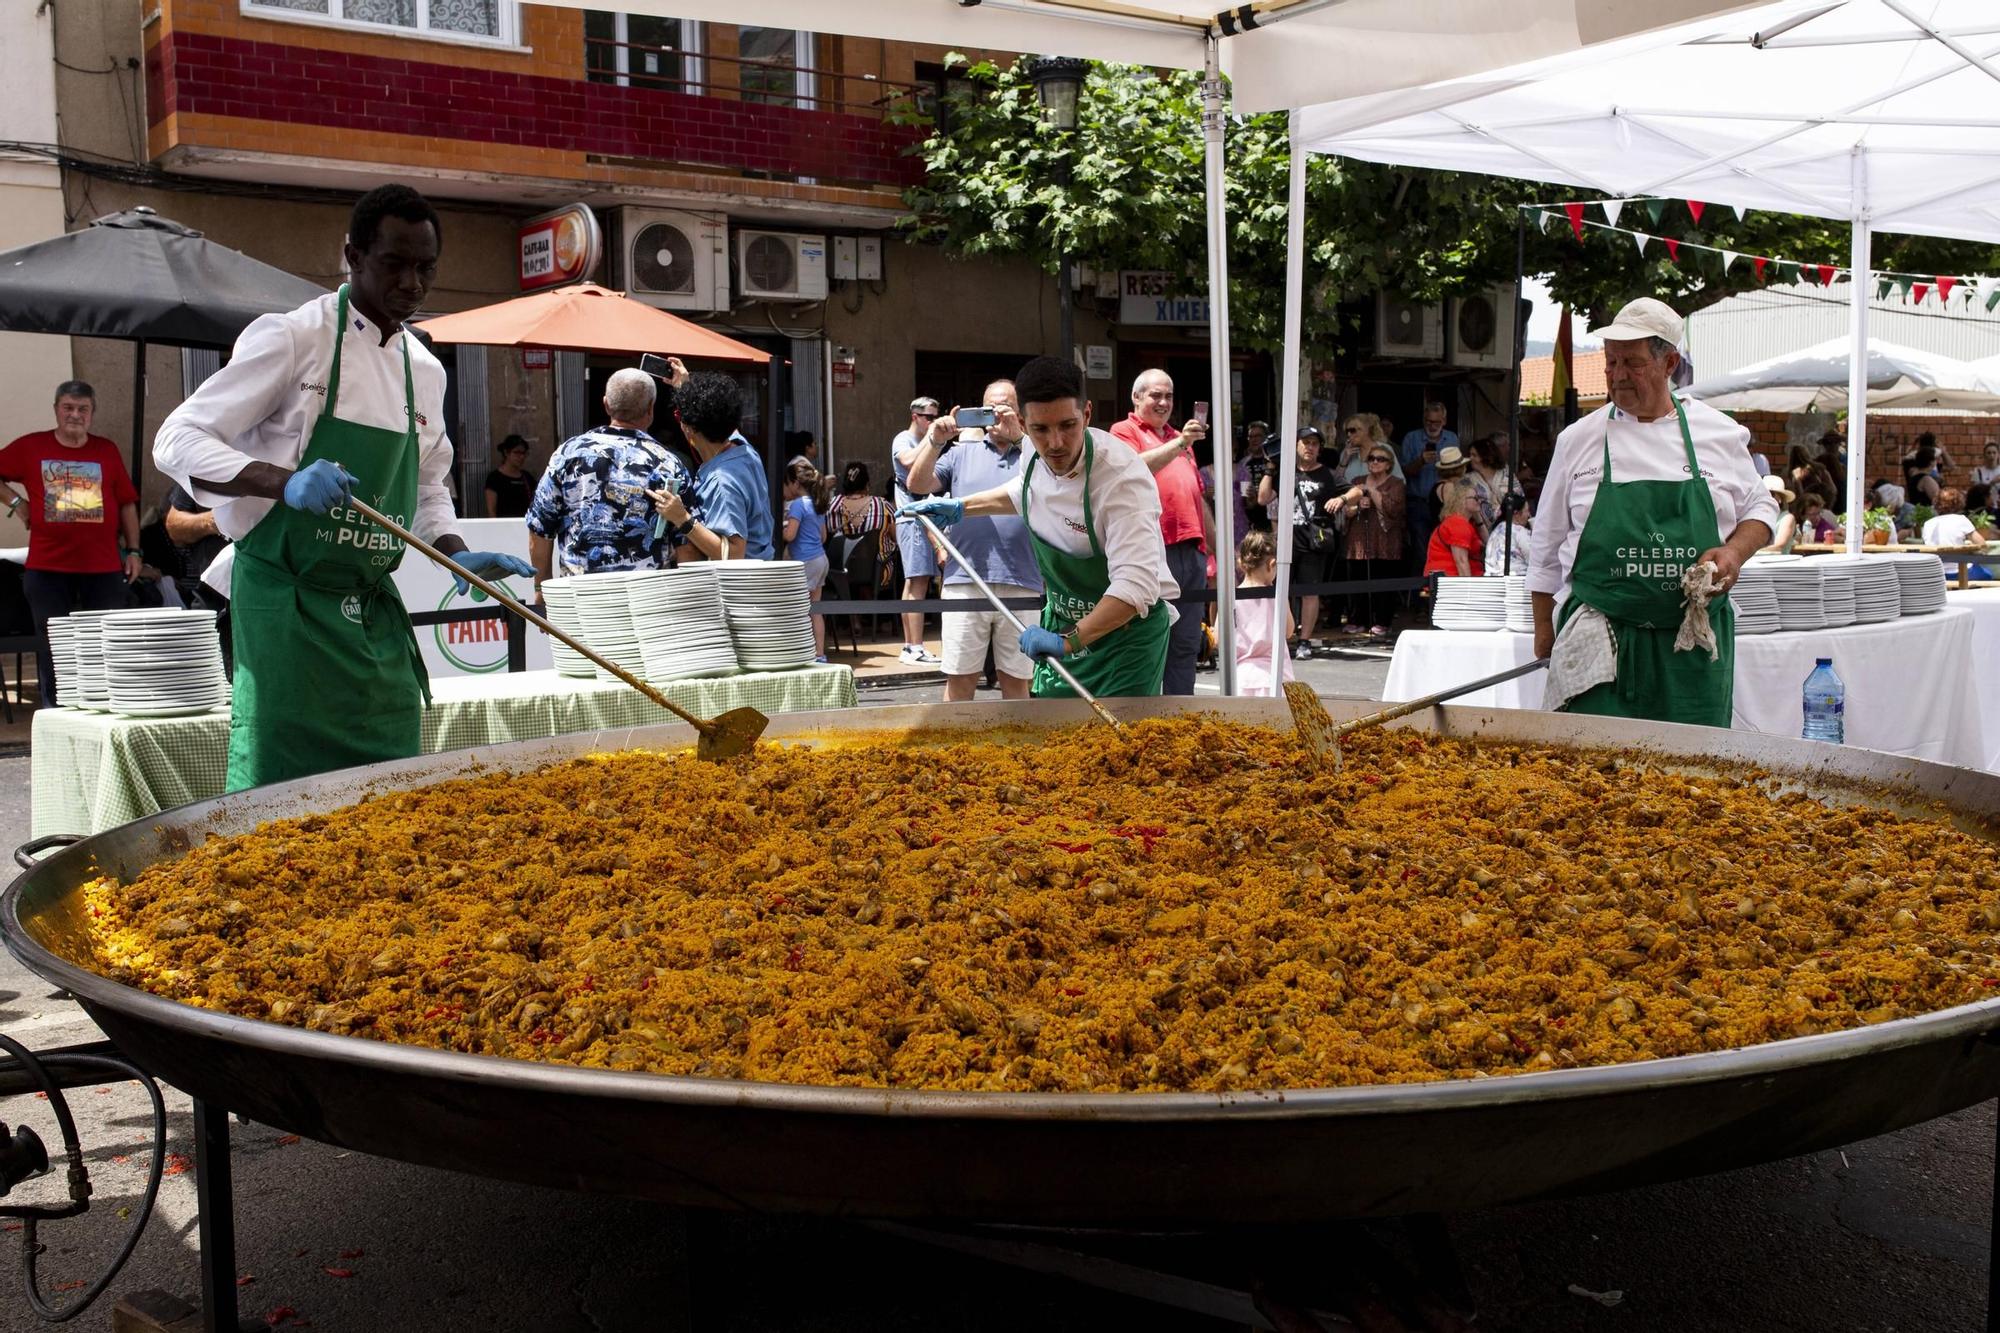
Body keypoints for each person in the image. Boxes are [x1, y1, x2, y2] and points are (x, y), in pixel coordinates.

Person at [154, 183, 531, 790]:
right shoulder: (292, 338)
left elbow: (430, 483)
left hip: (369, 610)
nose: (411, 283)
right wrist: (285, 481)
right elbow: (177, 438)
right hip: (285, 603)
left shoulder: (425, 370)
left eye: (425, 268)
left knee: (387, 782)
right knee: (280, 787)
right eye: (394, 264)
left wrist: (457, 554)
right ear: (352, 256)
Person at [1527, 297, 1777, 728]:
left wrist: (1735, 552)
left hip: (1693, 646)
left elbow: (1762, 506)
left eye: (1633, 363)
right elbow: (1546, 546)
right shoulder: (1578, 440)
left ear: (1670, 363)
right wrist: (1542, 630)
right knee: (1592, 771)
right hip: (1600, 638)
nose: (1618, 375)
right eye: (1611, 362)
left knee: (1692, 776)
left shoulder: (1718, 432)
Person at [898, 355, 1174, 699]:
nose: (1055, 443)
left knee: (1116, 749)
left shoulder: (1122, 479)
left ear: (1086, 414)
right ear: (1024, 425)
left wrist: (1069, 641)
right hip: (1064, 622)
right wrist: (961, 508)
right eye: (1041, 429)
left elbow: (1136, 587)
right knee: (1052, 740)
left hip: (1126, 643)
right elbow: (1027, 493)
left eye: (1068, 425)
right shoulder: (1030, 451)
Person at [0, 380, 140, 706]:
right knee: (54, 647)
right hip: (48, 568)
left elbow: (127, 503)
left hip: (103, 567)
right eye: (68, 408)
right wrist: (18, 505)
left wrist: (134, 551)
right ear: (56, 410)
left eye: (83, 409)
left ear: (92, 414)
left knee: (103, 644)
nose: (75, 415)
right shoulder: (31, 447)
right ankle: (57, 710)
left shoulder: (106, 450)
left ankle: (103, 707)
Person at [905, 379, 1042, 701]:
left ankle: (1016, 750)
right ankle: (954, 750)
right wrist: (934, 441)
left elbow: (1057, 477)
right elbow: (918, 485)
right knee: (960, 680)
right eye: (988, 408)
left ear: (1020, 413)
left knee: (1017, 682)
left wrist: (1020, 439)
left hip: (1023, 579)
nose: (995, 415)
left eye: (1003, 407)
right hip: (964, 578)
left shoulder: (1034, 451)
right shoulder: (960, 452)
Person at [526, 369, 692, 592]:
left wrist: (541, 588)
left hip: (580, 602)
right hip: (649, 604)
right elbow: (687, 543)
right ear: (651, 408)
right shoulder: (668, 464)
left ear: (605, 404)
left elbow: (539, 531)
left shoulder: (567, 455)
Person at [1109, 369, 1215, 696]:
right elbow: (1133, 468)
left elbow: (1197, 498)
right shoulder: (1122, 431)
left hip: (1190, 553)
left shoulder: (1180, 439)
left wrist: (1217, 551)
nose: (1163, 402)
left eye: (1168, 396)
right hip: (1151, 551)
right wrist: (1182, 442)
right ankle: (1147, 718)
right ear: (1136, 397)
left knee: (1186, 643)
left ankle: (1180, 716)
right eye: (1156, 395)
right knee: (1148, 639)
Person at [649, 372, 773, 562]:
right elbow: (716, 413)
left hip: (739, 587)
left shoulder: (721, 482)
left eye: (679, 416)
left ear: (690, 427)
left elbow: (734, 554)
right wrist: (686, 386)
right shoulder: (744, 449)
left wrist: (681, 517)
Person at [1255, 425, 1342, 656]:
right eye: (1306, 443)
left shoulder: (1328, 474)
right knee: (1279, 590)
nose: (1310, 447)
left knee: (1309, 592)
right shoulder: (1285, 471)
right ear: (1296, 445)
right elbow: (1262, 498)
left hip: (1314, 540)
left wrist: (1341, 499)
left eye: (1314, 443)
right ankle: (1280, 638)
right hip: (1285, 540)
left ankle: (1304, 641)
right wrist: (1270, 468)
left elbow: (1355, 491)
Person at [1328, 441, 1407, 635]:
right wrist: (1356, 507)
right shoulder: (1356, 480)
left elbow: (1393, 510)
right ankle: (1357, 619)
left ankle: (1382, 621)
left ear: (1389, 464)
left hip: (1385, 540)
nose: (1375, 462)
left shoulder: (1396, 483)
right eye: (1371, 459)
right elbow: (1345, 510)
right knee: (1357, 579)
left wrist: (1371, 491)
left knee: (1383, 580)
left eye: (1380, 459)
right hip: (1358, 539)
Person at [890, 397, 945, 665]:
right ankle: (914, 647)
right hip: (912, 519)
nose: (932, 422)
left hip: (923, 520)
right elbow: (909, 461)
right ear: (915, 416)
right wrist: (933, 439)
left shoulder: (927, 440)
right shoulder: (903, 439)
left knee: (916, 583)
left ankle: (912, 646)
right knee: (917, 583)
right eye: (928, 417)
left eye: (936, 417)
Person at [1232, 529, 1295, 697]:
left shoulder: (1233, 598)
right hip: (1276, 677)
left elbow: (1218, 638)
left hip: (1241, 678)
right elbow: (1289, 631)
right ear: (1272, 564)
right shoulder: (1277, 595)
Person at [781, 460, 832, 661]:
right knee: (815, 609)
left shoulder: (797, 505)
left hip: (806, 562)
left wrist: (781, 529)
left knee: (799, 608)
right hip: (821, 559)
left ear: (795, 483)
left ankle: (800, 651)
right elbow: (823, 537)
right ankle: (820, 653)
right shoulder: (816, 503)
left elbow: (790, 536)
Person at [1399, 401, 1457, 561]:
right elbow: (1404, 472)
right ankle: (1421, 585)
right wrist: (1421, 461)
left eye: (1436, 422)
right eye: (1428, 421)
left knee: (1444, 549)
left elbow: (1457, 471)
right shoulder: (1411, 438)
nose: (1432, 426)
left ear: (1444, 421)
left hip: (1443, 504)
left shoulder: (1452, 438)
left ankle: (1438, 584)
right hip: (1418, 503)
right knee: (1421, 551)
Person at [1423, 479, 1485, 578]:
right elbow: (1461, 562)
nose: (1480, 501)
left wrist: (1478, 519)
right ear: (1462, 501)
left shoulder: (1464, 523)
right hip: (1450, 582)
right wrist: (1468, 590)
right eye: (1475, 498)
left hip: (1452, 580)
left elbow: (1487, 541)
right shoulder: (1457, 524)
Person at [484, 434, 535, 518]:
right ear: (506, 453)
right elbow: (491, 510)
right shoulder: (494, 478)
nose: (521, 457)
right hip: (503, 526)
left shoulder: (527, 477)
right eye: (517, 452)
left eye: (523, 453)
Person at [1484, 493, 1532, 576]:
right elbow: (1533, 559)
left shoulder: (1495, 530)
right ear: (1516, 514)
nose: (1528, 515)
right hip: (1516, 582)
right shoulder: (1519, 532)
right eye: (1527, 511)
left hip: (1492, 582)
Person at [1761, 476, 1801, 552]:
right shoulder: (1759, 517)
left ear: (1780, 498)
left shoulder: (1787, 518)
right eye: (1763, 493)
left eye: (1771, 494)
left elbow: (1778, 547)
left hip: (1778, 563)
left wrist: (1749, 552)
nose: (1767, 497)